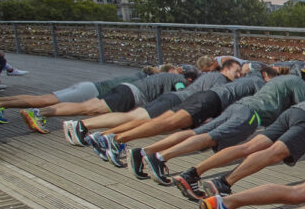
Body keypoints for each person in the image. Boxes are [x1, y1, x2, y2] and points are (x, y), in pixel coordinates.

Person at [139, 65, 305, 190]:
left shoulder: (280, 79)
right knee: (229, 144)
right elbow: (303, 113)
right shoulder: (299, 83)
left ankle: (157, 154)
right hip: (251, 114)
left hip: (239, 106)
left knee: (200, 133)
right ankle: (167, 161)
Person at [189, 87, 305, 197]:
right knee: (273, 153)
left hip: (294, 112)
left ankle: (193, 173)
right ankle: (223, 182)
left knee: (248, 147)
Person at [73, 59, 239, 152]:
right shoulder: (219, 79)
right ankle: (98, 133)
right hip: (176, 101)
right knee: (139, 121)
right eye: (236, 71)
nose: (238, 75)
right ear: (225, 69)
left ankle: (100, 134)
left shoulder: (207, 76)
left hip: (171, 98)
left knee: (135, 118)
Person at [0, 65, 172, 133]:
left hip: (88, 86)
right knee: (46, 101)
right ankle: (4, 105)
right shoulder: (152, 80)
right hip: (92, 90)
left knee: (44, 98)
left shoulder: (141, 75)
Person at [60, 67, 194, 145]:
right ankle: (82, 125)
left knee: (86, 107)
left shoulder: (164, 74)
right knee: (123, 116)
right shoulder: (179, 79)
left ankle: (75, 125)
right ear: (189, 79)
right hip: (133, 94)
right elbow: (180, 90)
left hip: (126, 88)